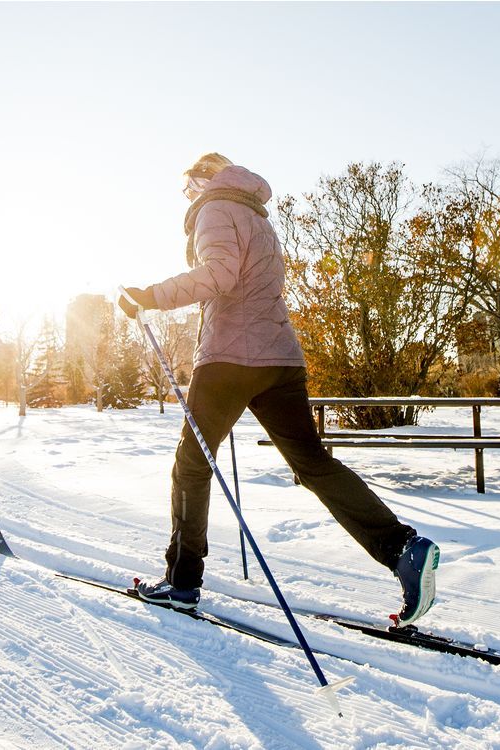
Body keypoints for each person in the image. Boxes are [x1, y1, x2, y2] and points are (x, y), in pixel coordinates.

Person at [118, 153, 439, 625]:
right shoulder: (256, 216)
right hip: (280, 359)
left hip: (230, 359)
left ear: (206, 178)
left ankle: (182, 583)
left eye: (188, 184)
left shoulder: (213, 208)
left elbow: (219, 276)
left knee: (191, 465)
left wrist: (149, 296)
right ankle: (401, 549)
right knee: (312, 463)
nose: (186, 195)